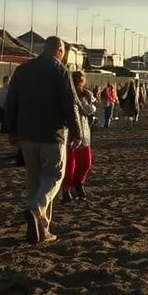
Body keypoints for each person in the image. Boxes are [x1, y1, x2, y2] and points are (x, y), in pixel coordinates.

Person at [2, 35, 83, 244]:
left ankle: (41, 229)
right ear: (59, 51)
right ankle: (36, 207)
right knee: (55, 176)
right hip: (52, 134)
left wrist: (11, 130)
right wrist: (77, 131)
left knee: (34, 180)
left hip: (27, 134)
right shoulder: (60, 71)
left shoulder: (23, 70)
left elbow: (11, 102)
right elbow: (69, 103)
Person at [61, 70, 96, 203]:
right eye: (78, 82)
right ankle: (66, 189)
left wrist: (89, 98)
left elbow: (90, 110)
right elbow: (87, 109)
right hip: (71, 133)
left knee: (86, 162)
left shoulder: (85, 94)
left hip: (84, 133)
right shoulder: (69, 95)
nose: (80, 85)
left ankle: (78, 183)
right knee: (70, 165)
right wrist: (87, 101)